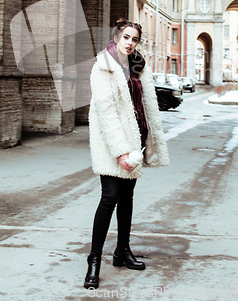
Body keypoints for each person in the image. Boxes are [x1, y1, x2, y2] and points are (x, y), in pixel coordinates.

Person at [84, 18, 169, 289]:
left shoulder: (139, 67)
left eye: (134, 39)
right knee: (109, 197)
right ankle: (94, 259)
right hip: (112, 143)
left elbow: (146, 103)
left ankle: (122, 251)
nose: (130, 43)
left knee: (128, 197)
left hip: (136, 139)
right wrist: (120, 151)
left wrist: (144, 140)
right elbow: (106, 114)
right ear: (117, 37)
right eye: (126, 37)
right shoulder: (102, 67)